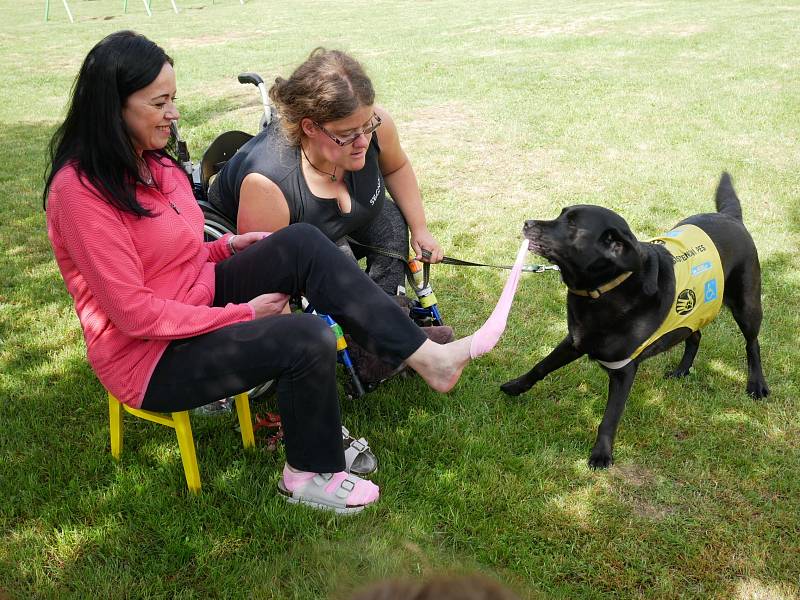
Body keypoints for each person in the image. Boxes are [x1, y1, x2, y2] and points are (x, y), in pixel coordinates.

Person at [43, 30, 477, 514]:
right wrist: (243, 315)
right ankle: (309, 476)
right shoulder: (81, 194)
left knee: (301, 243)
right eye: (159, 102)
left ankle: (420, 353)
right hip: (149, 358)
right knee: (304, 335)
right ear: (113, 109)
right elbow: (135, 315)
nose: (174, 113)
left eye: (174, 98)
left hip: (195, 300)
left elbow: (178, 255)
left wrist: (228, 246)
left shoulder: (154, 165)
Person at [209, 48, 443, 297]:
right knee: (338, 260)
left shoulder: (376, 125)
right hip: (290, 235)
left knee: (389, 220)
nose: (363, 141)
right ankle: (360, 328)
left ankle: (394, 312)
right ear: (309, 127)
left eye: (367, 126)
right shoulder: (268, 184)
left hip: (331, 218)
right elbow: (264, 280)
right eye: (347, 134)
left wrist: (420, 229)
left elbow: (396, 167)